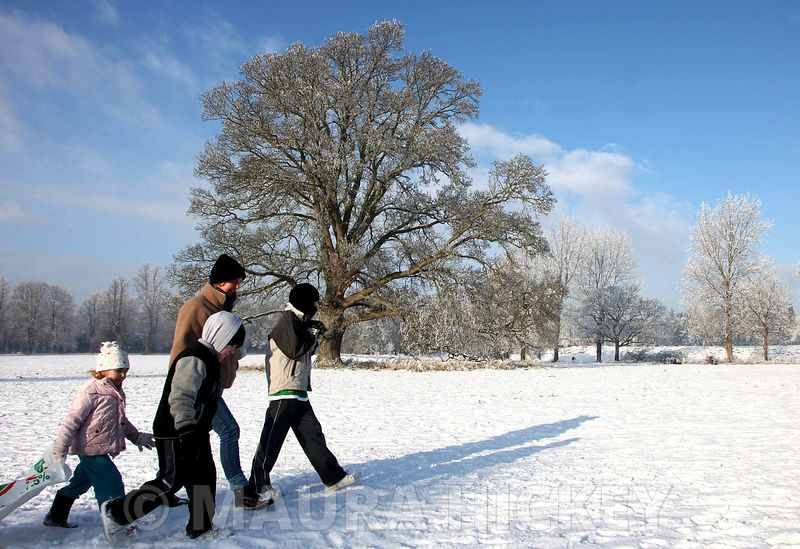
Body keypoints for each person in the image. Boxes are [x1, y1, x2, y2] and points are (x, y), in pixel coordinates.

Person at [101, 311, 246, 541]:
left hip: (196, 430)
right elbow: (180, 398)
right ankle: (117, 513)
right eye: (231, 344)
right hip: (175, 430)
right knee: (170, 480)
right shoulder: (195, 358)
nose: (231, 351)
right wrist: (187, 431)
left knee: (204, 476)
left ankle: (200, 527)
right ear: (219, 337)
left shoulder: (211, 359)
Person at [168, 253, 268, 509]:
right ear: (219, 281)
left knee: (193, 449)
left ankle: (168, 488)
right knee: (225, 433)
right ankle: (239, 492)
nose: (237, 288)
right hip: (198, 390)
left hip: (212, 388)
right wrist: (180, 392)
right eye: (234, 283)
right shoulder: (196, 308)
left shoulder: (222, 309)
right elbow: (181, 351)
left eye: (239, 284)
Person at [248, 283, 358, 500]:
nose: (316, 306)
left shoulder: (298, 321)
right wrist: (313, 332)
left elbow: (307, 348)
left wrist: (312, 332)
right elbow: (295, 349)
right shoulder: (287, 320)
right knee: (271, 440)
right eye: (314, 302)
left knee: (312, 435)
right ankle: (257, 485)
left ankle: (333, 477)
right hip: (284, 390)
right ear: (304, 302)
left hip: (297, 389)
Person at [44, 342, 154, 529]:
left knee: (81, 482)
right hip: (89, 447)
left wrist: (136, 437)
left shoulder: (115, 392)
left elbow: (121, 421)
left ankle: (56, 515)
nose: (123, 375)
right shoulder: (90, 391)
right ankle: (116, 521)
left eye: (125, 371)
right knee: (111, 482)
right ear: (103, 370)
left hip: (98, 447)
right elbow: (71, 422)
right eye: (118, 371)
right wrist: (59, 449)